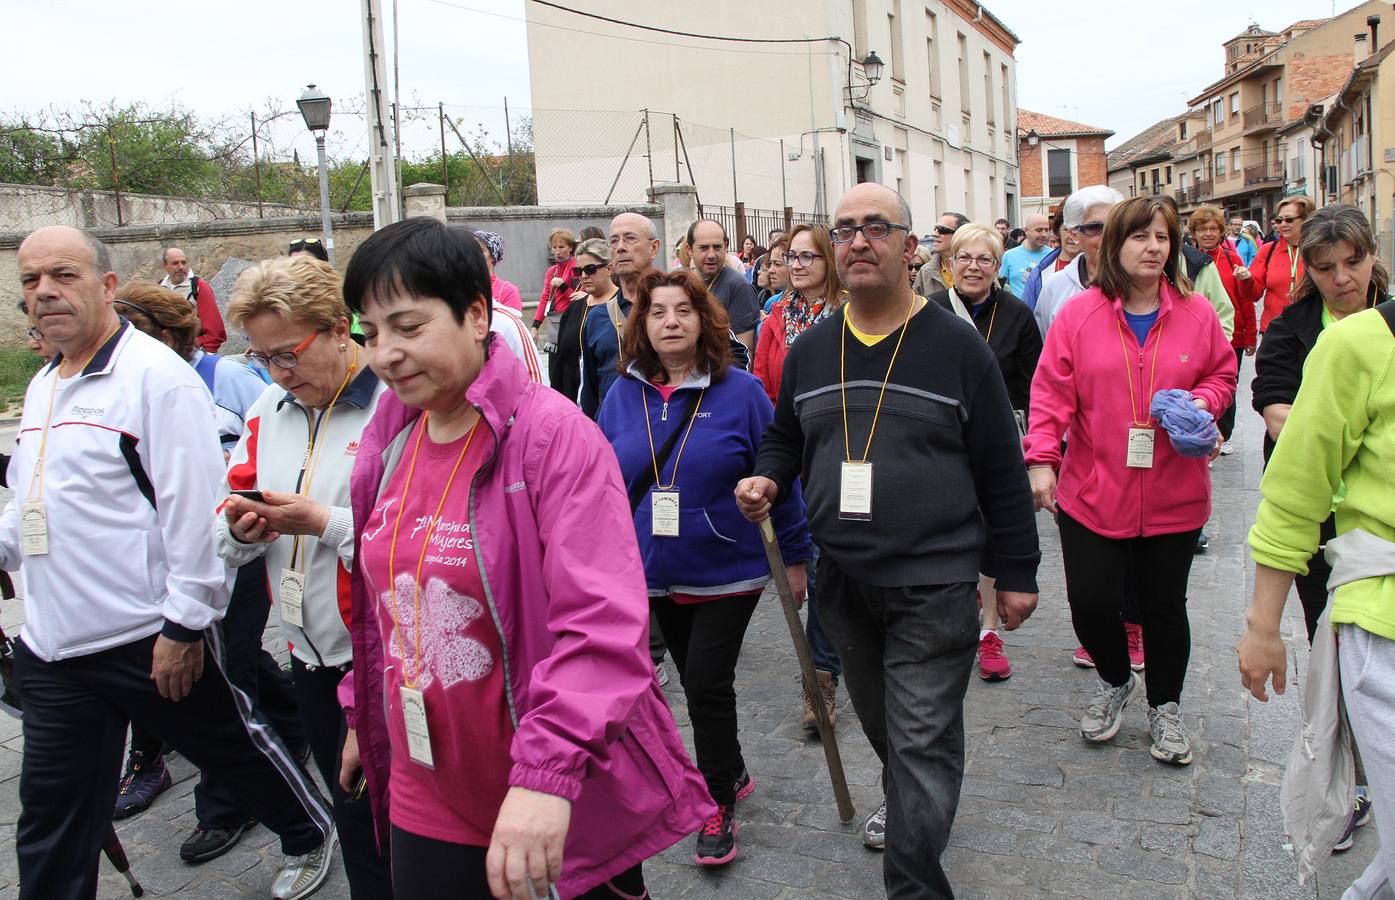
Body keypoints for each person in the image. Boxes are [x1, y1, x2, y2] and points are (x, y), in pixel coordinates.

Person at [338, 217, 713, 899]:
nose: (384, 354)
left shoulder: (552, 439)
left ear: (477, 314)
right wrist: (366, 710)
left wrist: (546, 775)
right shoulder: (388, 435)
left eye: (408, 326)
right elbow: (386, 601)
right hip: (426, 786)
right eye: (370, 334)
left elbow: (601, 627)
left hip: (551, 787)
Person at [7, 225, 335, 900]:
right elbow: (30, 501)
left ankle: (306, 831)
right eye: (30, 281)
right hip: (54, 643)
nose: (44, 293)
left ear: (104, 287)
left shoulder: (156, 381)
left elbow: (194, 517)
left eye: (62, 276)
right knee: (50, 816)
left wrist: (185, 626)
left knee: (231, 748)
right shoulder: (44, 385)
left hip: (144, 633)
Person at [736, 184, 1040, 896]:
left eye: (876, 227)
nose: (857, 241)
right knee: (886, 729)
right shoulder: (813, 350)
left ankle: (912, 878)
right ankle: (912, 804)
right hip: (842, 580)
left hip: (933, 583)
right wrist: (767, 477)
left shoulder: (957, 348)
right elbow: (785, 436)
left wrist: (1015, 571)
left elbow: (1000, 463)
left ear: (910, 248)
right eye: (844, 230)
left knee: (922, 739)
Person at [598, 267, 810, 865]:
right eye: (658, 311)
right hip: (649, 569)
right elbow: (597, 483)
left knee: (708, 685)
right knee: (690, 681)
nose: (671, 321)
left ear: (704, 320)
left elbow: (780, 474)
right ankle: (734, 767)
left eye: (683, 311)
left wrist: (795, 558)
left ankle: (715, 800)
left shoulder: (740, 391)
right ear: (642, 324)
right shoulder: (621, 396)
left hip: (727, 567)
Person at [1024, 196, 1236, 767]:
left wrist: (1202, 401)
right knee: (1091, 603)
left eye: (1163, 238)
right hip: (1093, 490)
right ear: (1114, 246)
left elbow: (1223, 371)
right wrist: (1042, 458)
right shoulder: (1079, 314)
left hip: (1174, 491)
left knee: (1165, 606)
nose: (1154, 248)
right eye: (1140, 237)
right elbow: (1049, 394)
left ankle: (1166, 705)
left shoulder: (1194, 312)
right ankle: (1117, 679)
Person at [212, 256, 394, 897]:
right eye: (263, 358)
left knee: (405, 826)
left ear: (340, 329)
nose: (278, 374)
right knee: (353, 818)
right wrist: (238, 532)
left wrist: (322, 523)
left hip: (384, 663)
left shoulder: (392, 406)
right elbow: (222, 527)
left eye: (288, 354)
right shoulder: (268, 406)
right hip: (308, 659)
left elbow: (419, 542)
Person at [1246, 203, 1389, 857]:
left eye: (1352, 263)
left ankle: (1364, 775)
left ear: (1371, 258)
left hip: (1363, 517)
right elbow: (1272, 393)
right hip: (1319, 509)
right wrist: (1301, 428)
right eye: (1326, 267)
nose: (1341, 279)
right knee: (1328, 635)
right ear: (1307, 270)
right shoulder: (1297, 328)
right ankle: (1353, 768)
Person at [928, 224, 1043, 683]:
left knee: (993, 526)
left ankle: (989, 631)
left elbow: (1036, 383)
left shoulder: (1016, 315)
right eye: (965, 258)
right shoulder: (928, 311)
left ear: (999, 268)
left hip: (999, 436)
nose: (973, 267)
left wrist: (1038, 452)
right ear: (950, 264)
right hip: (939, 437)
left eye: (985, 260)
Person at [751, 225, 847, 731]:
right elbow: (768, 388)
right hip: (800, 460)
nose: (800, 264)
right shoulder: (776, 318)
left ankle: (840, 657)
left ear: (830, 260)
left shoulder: (852, 311)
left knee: (838, 566)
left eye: (811, 256)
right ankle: (823, 678)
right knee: (819, 566)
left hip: (848, 456)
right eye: (793, 256)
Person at [1189, 205, 1257, 455]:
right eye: (1202, 229)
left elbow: (1245, 300)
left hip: (1232, 334)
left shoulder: (1232, 258)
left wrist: (1251, 335)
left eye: (1212, 229)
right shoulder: (1187, 261)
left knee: (1227, 385)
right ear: (1194, 233)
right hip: (1199, 339)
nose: (1207, 233)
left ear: (1220, 232)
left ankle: (1225, 433)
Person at [580, 213, 659, 418]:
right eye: (614, 241)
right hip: (612, 430)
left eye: (630, 238)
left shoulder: (675, 308)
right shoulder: (597, 317)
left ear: (654, 247)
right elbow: (590, 390)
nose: (621, 247)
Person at [1034, 186, 1125, 335]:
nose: (1107, 236)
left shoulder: (1142, 284)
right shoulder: (1055, 287)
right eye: (1095, 227)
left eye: (1114, 226)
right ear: (1074, 234)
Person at [686, 219, 761, 362]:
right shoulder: (682, 284)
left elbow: (744, 351)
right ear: (689, 250)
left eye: (717, 247)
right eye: (703, 248)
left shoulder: (739, 287)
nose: (711, 255)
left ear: (725, 246)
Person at [552, 237, 612, 402]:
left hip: (607, 403)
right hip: (571, 405)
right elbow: (561, 362)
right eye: (578, 271)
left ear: (609, 269)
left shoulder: (622, 306)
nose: (584, 276)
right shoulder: (574, 308)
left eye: (590, 269)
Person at [1245, 196, 1315, 333]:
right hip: (1275, 329)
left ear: (1306, 220)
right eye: (1279, 220)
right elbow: (1253, 294)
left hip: (1310, 328)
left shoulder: (1319, 249)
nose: (1282, 225)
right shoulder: (1268, 250)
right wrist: (1247, 280)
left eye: (1289, 220)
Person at [160, 246, 227, 352]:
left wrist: (209, 351)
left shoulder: (198, 286)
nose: (181, 267)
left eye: (184, 262)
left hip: (194, 350)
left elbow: (213, 325)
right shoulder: (159, 288)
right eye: (175, 263)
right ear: (164, 266)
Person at [531, 228, 577, 367]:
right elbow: (545, 298)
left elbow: (580, 299)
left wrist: (563, 286)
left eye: (561, 247)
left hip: (572, 324)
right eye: (554, 247)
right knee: (554, 371)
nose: (557, 251)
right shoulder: (552, 271)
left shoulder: (577, 268)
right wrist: (535, 326)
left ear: (570, 248)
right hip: (555, 325)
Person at [1021, 207, 1076, 312]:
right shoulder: (1039, 273)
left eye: (1077, 228)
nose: (1072, 236)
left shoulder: (1101, 270)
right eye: (1066, 229)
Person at [912, 211, 968, 296]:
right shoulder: (925, 272)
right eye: (935, 229)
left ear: (960, 235)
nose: (934, 234)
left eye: (942, 230)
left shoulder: (977, 268)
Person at [1000, 214, 1052, 297]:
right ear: (1026, 231)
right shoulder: (1009, 256)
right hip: (1017, 309)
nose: (1044, 234)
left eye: (1047, 230)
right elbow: (1001, 287)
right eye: (1039, 230)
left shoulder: (1053, 256)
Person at [473, 230, 523, 312]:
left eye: (480, 250)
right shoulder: (459, 288)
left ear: (493, 257)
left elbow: (510, 323)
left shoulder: (508, 291)